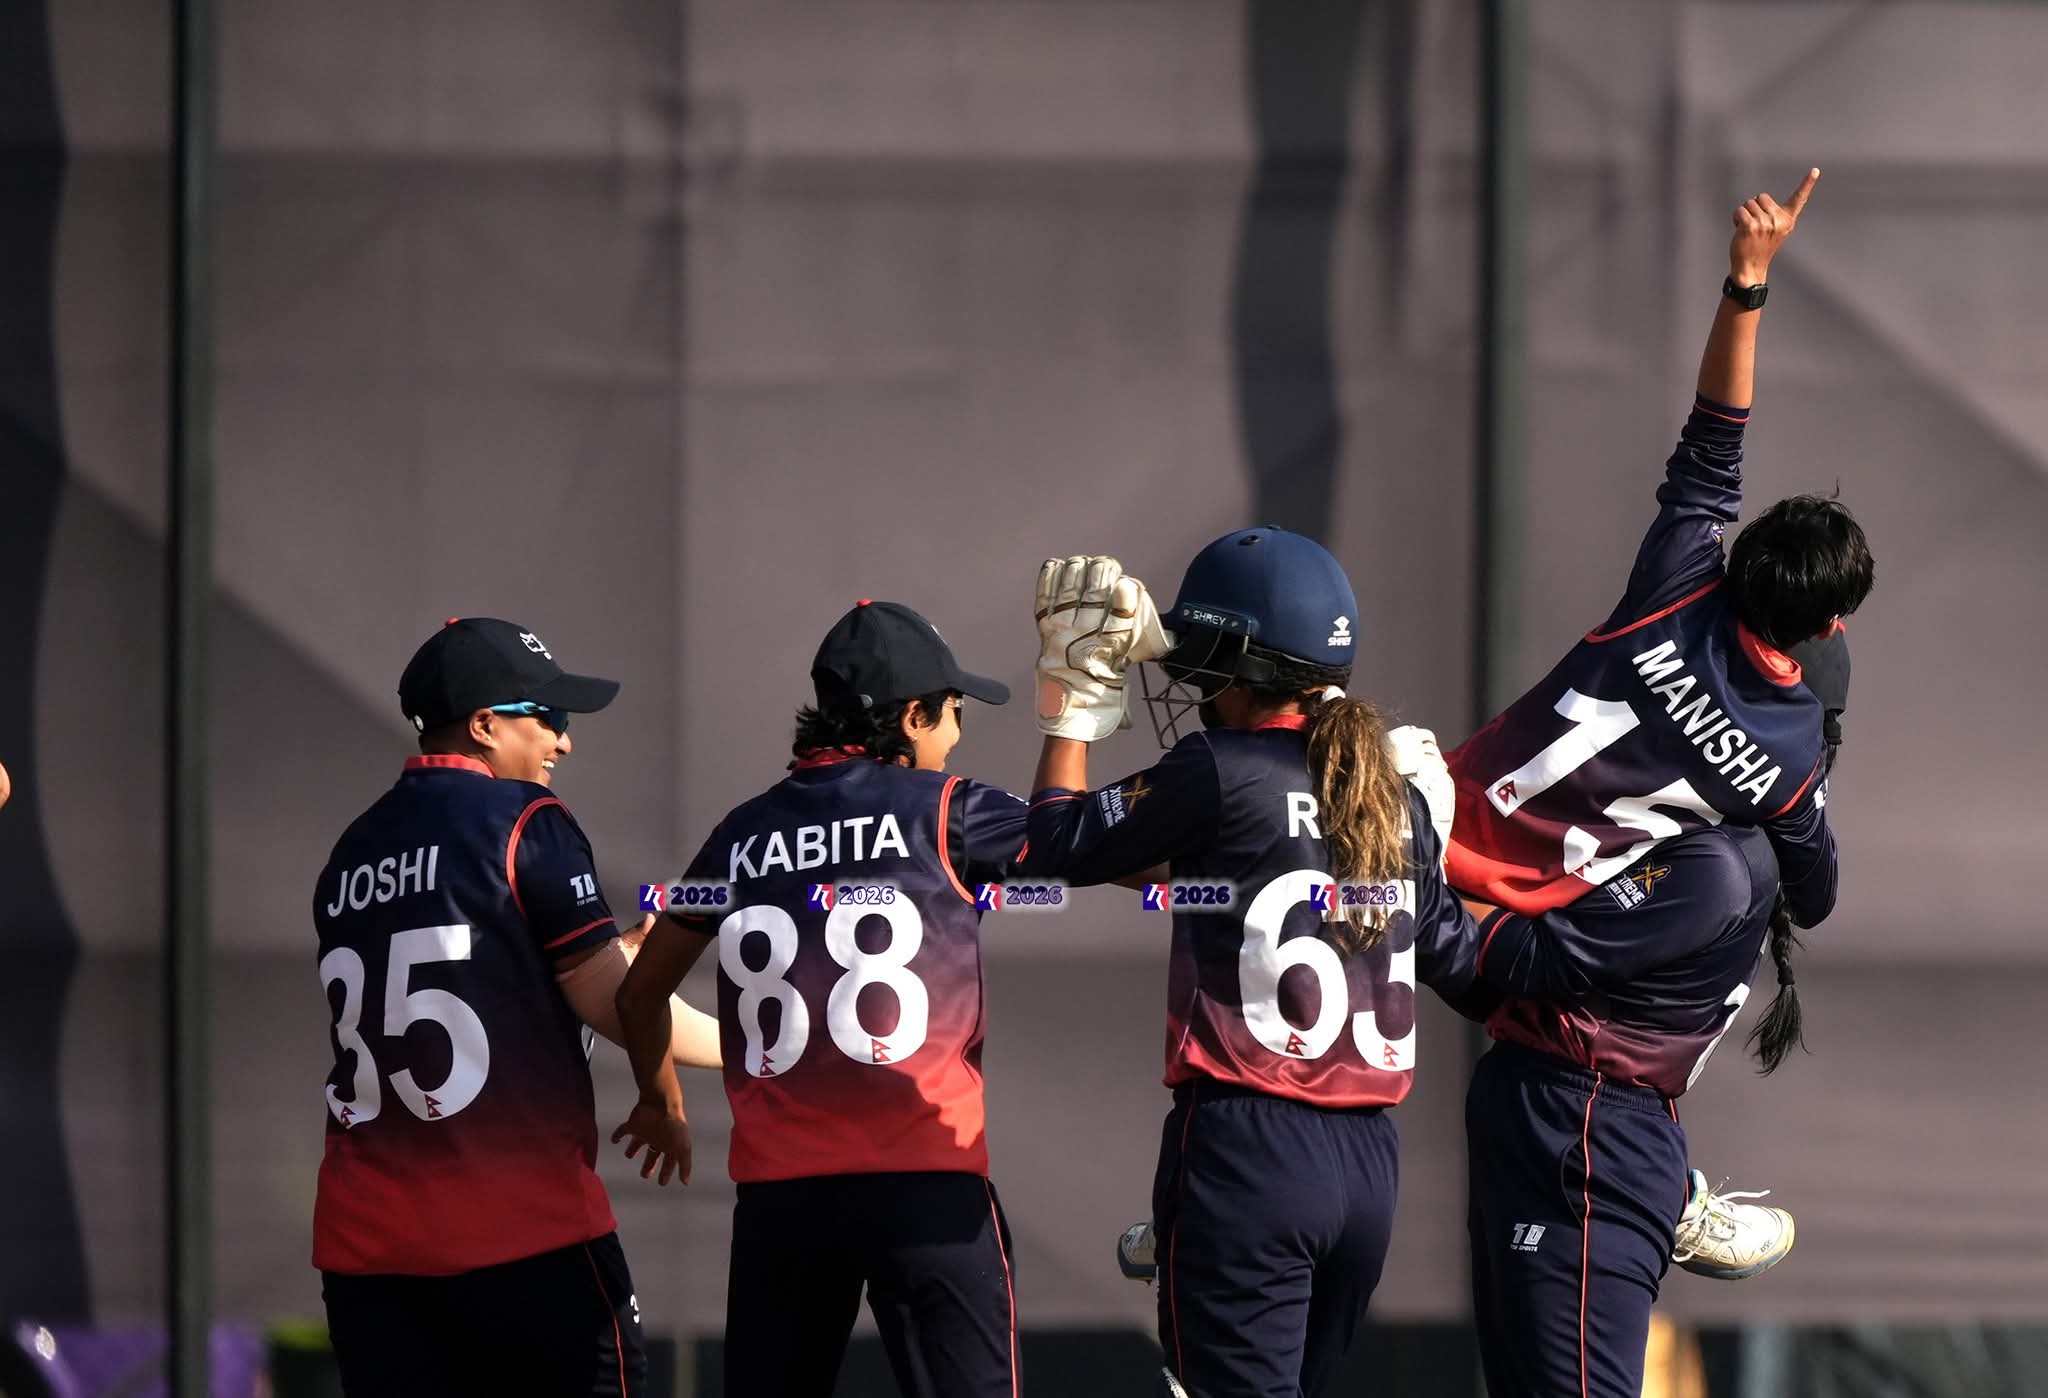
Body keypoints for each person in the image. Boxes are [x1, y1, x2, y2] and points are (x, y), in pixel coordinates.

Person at [1443, 167, 1871, 1280]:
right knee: (1736, 881)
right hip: (1510, 938)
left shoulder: (1678, 574)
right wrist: (1794, 805)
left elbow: (1715, 431)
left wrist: (1746, 279)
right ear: (1826, 622)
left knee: (1252, 883)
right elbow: (1816, 892)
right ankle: (1665, 1183)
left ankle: (1201, 1193)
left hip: (1428, 820)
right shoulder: (1783, 754)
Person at [1020, 543, 1488, 1398]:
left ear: (1245, 662)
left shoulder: (1219, 769)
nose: (1191, 680)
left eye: (1204, 659)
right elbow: (1450, 950)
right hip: (1367, 1169)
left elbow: (1054, 844)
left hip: (1248, 1148)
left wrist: (1071, 704)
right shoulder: (1390, 791)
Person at [613, 599, 1030, 1398]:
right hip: (926, 1188)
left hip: (783, 1206)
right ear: (912, 717)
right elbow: (1101, 848)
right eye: (953, 712)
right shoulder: (948, 808)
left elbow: (638, 997)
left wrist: (660, 1102)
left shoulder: (740, 833)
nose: (957, 734)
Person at [312, 616, 720, 1398]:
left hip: (368, 1255)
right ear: (485, 725)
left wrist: (600, 956)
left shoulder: (351, 850)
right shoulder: (526, 819)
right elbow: (618, 1004)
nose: (565, 740)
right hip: (520, 1234)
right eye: (550, 716)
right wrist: (758, 1047)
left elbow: (479, 981)